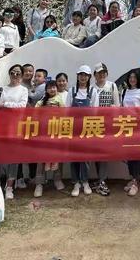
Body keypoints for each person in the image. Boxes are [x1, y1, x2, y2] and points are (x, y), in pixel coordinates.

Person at [0, 64, 28, 200]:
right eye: (13, 73)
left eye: (18, 73)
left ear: (21, 75)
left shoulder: (23, 90)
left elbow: (22, 106)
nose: (15, 75)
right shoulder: (2, 89)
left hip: (16, 126)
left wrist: (4, 105)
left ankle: (9, 186)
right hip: (1, 126)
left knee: (13, 158)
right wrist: (2, 106)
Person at [67, 65, 99, 197]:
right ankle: (76, 183)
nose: (83, 77)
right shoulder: (72, 90)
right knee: (74, 156)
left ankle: (85, 182)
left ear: (89, 77)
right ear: (77, 75)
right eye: (81, 74)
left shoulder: (93, 91)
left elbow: (95, 111)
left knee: (85, 157)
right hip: (73, 129)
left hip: (87, 128)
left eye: (85, 75)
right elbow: (67, 110)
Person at [33, 81, 65, 197]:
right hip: (43, 131)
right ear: (46, 90)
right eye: (50, 88)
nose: (52, 90)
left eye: (54, 88)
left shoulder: (60, 98)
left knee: (56, 154)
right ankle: (39, 184)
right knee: (42, 156)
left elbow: (64, 113)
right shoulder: (42, 100)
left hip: (56, 131)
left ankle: (57, 180)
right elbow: (35, 112)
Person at [92, 63, 120, 196]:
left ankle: (102, 180)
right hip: (93, 125)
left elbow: (117, 106)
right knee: (96, 153)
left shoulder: (112, 86)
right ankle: (99, 179)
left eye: (104, 72)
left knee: (103, 153)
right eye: (99, 73)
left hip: (107, 125)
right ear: (95, 75)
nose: (101, 75)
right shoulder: (91, 88)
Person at [121, 70, 140, 196]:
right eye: (130, 77)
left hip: (137, 127)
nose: (132, 79)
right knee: (129, 154)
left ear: (138, 79)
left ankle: (136, 182)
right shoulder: (125, 91)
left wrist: (135, 114)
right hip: (126, 126)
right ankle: (132, 178)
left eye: (134, 77)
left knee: (136, 154)